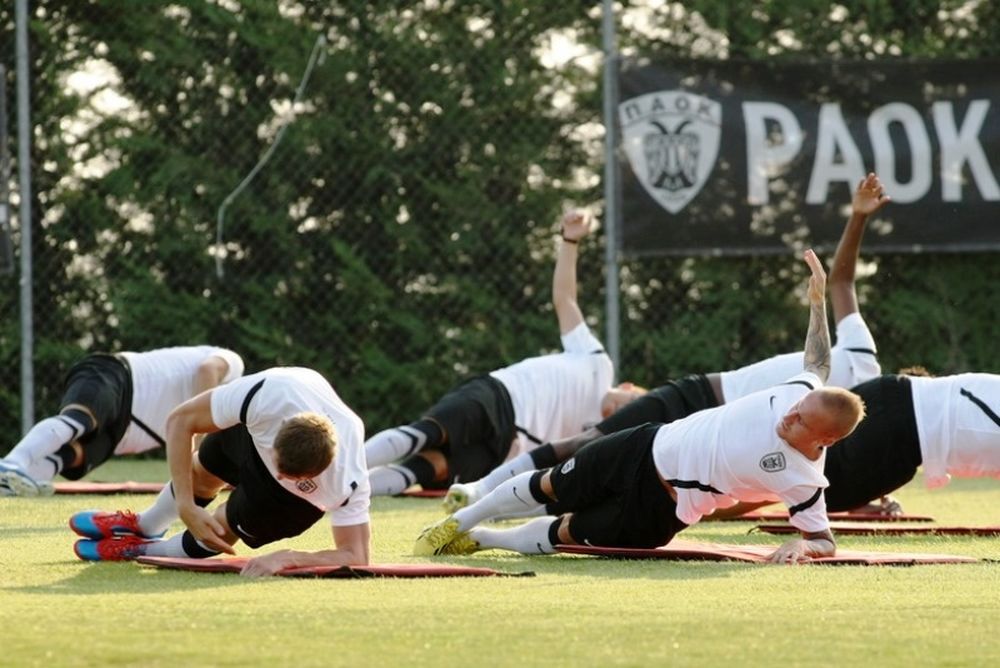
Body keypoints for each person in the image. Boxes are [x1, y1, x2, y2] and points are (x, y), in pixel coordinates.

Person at [443, 173, 889, 512]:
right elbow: (843, 282)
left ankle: (523, 510)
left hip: (710, 447)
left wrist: (870, 498)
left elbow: (812, 478)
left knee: (624, 484)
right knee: (591, 442)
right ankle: (480, 490)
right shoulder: (858, 359)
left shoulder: (835, 433)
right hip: (699, 397)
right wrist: (858, 217)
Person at [415, 250, 867, 564]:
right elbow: (817, 361)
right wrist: (816, 302)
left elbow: (823, 539)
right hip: (644, 446)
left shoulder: (804, 479)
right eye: (796, 407)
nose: (788, 414)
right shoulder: (796, 395)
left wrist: (801, 547)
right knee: (552, 484)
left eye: (801, 421)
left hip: (662, 511)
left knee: (570, 533)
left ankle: (481, 540)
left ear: (824, 439)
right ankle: (459, 520)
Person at [364, 209, 644, 497]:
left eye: (631, 416)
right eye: (633, 402)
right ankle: (342, 468)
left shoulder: (596, 437)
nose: (627, 411)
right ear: (627, 387)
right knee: (428, 433)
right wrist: (570, 241)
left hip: (506, 451)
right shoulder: (598, 362)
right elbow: (565, 299)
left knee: (429, 468)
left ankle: (345, 492)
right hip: (500, 396)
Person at [68, 366, 371, 577]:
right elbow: (180, 421)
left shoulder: (347, 480)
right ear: (279, 432)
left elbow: (356, 557)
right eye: (278, 464)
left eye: (290, 475)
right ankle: (147, 523)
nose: (278, 474)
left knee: (218, 531)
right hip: (256, 433)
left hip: (291, 501)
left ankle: (141, 548)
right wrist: (185, 505)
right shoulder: (268, 396)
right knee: (202, 470)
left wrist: (290, 558)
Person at [716, 370, 1000, 518]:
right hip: (898, 436)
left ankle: (693, 489)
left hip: (889, 392)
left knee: (790, 470)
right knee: (795, 483)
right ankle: (692, 499)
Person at [0, 345, 244, 496]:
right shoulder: (234, 364)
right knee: (80, 420)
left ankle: (18, 483)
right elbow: (207, 370)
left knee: (74, 457)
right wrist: (201, 440)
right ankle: (11, 464)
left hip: (123, 429)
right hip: (118, 375)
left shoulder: (231, 421)